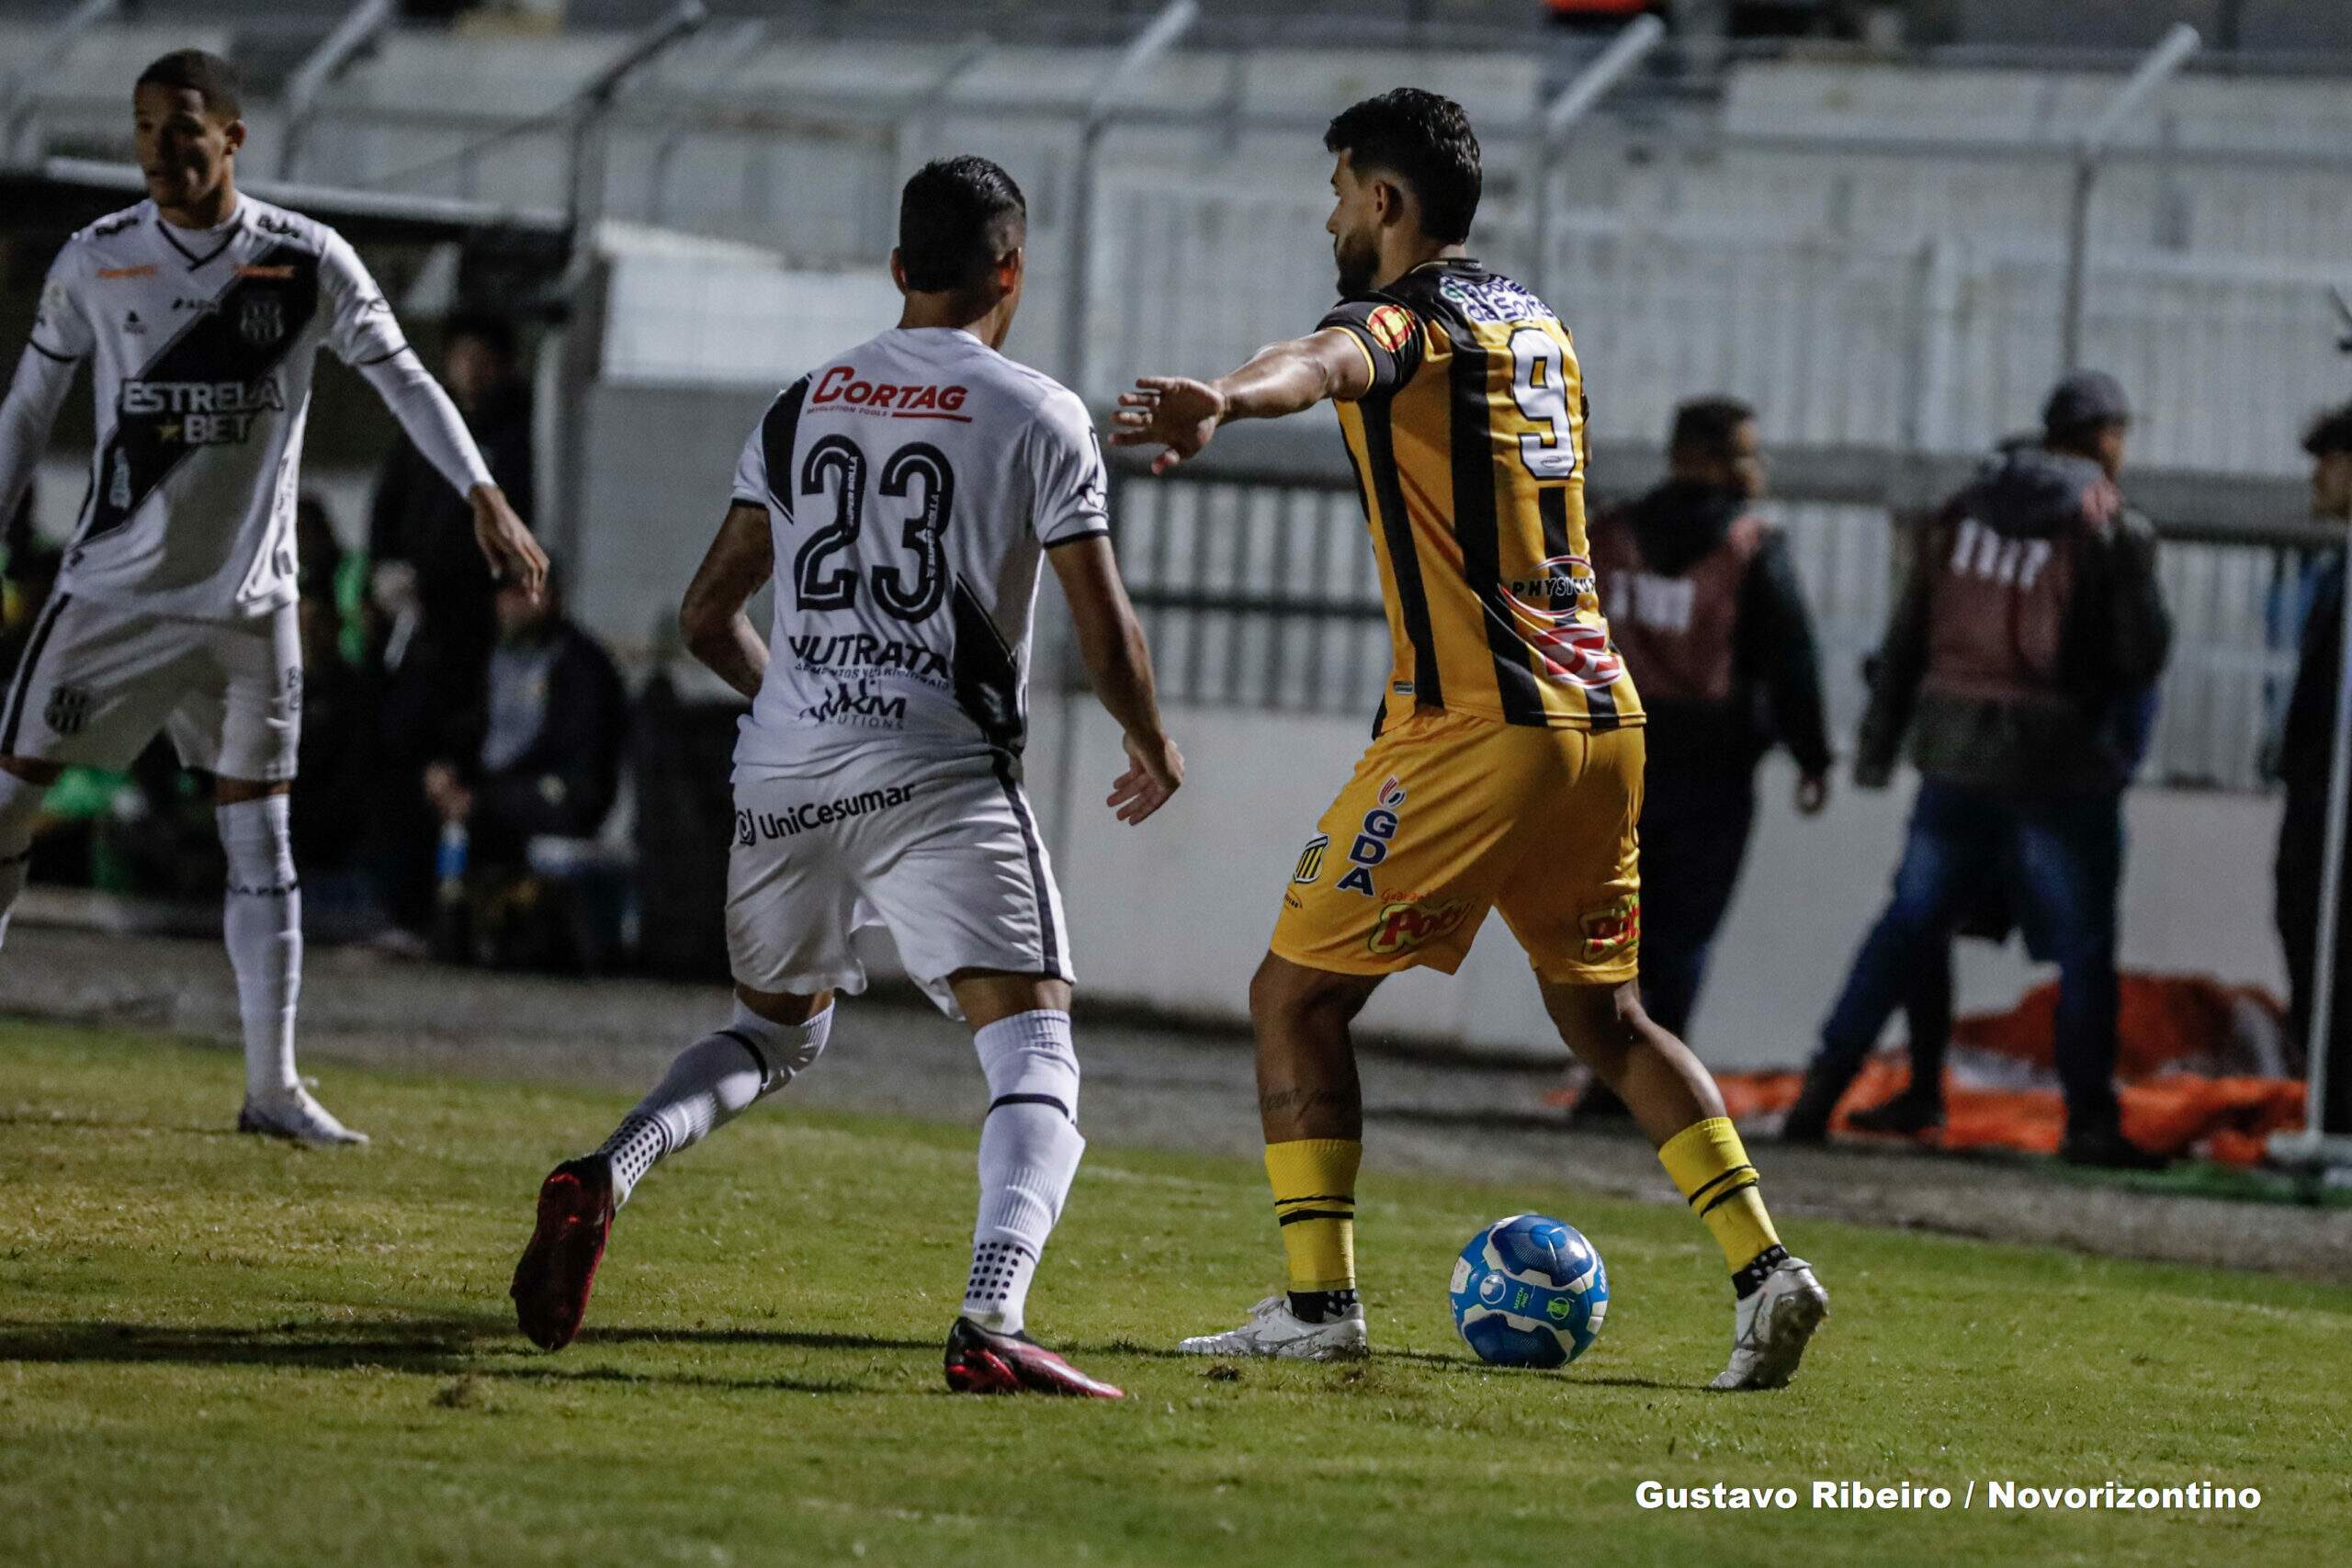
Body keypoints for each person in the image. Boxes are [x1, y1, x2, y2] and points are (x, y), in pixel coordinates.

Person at [1112, 89, 1827, 1390]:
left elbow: (1325, 360)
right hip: (1602, 716)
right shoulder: (1535, 320)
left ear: (1385, 202)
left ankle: (1318, 1299)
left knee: (1294, 997)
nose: (1331, 215)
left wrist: (1223, 394)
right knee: (1608, 1017)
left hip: (1476, 724)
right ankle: (1766, 1266)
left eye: (1339, 190)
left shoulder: (1401, 316)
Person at [508, 156, 1182, 1398]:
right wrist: (1152, 737)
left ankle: (608, 1170)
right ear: (1011, 270)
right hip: (939, 771)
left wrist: (802, 707)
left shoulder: (801, 403)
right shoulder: (1039, 412)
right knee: (1036, 1045)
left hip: (781, 772)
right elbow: (1105, 623)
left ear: (896, 270)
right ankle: (992, 1314)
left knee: (772, 1027)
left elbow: (707, 615)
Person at [0, 51, 547, 1145]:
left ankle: (272, 1087)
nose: (160, 146)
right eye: (145, 125)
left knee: (265, 844)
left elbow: (403, 378)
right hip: (115, 597)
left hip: (253, 610)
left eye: (183, 126)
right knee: (8, 811)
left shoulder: (302, 263)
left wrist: (483, 492)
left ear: (234, 136)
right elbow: (25, 412)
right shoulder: (96, 261)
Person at [1788, 371, 2170, 1168]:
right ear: (2105, 438)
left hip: (1953, 757)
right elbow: (2141, 653)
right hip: (2060, 767)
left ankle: (1819, 1095)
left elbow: (1907, 637)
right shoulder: (2108, 523)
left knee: (1907, 926)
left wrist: (1878, 746)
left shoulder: (1962, 512)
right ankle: (2090, 1121)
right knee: (2083, 949)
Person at [1586, 395, 1831, 1048]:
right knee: (1685, 930)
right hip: (1711, 765)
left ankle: (1608, 1065)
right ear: (1708, 459)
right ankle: (1656, 1066)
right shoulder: (1751, 547)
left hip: (1612, 755)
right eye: (1744, 452)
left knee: (1619, 924)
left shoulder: (1610, 534)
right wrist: (1812, 754)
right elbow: (1792, 657)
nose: (1756, 465)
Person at [422, 566, 628, 963]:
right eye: (507, 594)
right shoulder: (494, 656)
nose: (510, 605)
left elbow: (572, 751)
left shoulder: (580, 664)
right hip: (505, 786)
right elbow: (470, 729)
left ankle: (467, 928)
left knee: (475, 810)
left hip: (564, 791)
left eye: (524, 594)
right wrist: (447, 770)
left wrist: (483, 793)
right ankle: (445, 920)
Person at [2271, 401, 2352, 1136]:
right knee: (2304, 929)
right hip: (2317, 792)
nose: (2316, 478)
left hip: (2336, 798)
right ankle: (2328, 1106)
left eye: (2329, 461)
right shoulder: (2335, 572)